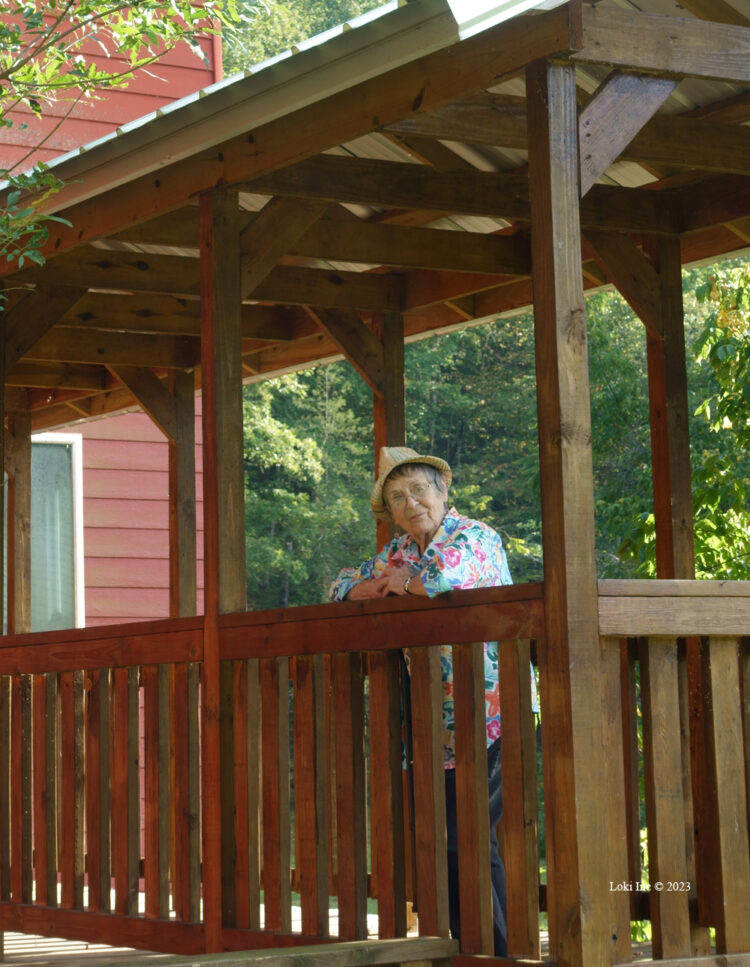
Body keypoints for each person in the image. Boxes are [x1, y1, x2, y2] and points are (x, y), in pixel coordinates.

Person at [329, 446, 511, 957]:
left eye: (418, 490)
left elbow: (444, 580)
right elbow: (338, 586)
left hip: (487, 709)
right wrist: (378, 584)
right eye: (396, 497)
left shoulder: (475, 535)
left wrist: (401, 584)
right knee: (443, 836)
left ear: (443, 491)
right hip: (432, 717)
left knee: (465, 835)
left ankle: (490, 951)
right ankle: (470, 945)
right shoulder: (399, 550)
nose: (410, 504)